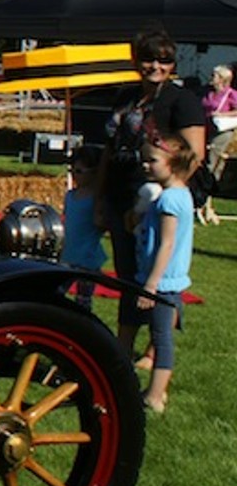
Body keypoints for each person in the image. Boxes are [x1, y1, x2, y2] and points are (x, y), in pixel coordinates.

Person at [96, 29, 205, 335]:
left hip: (160, 202)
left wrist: (169, 193)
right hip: (121, 194)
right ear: (136, 61)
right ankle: (125, 343)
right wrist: (99, 198)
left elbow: (194, 155)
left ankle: (157, 347)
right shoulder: (125, 96)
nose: (155, 66)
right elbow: (108, 148)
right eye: (148, 59)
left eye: (164, 60)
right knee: (127, 274)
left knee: (162, 274)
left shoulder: (182, 100)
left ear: (172, 64)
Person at [125, 133, 196, 414]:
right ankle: (156, 392)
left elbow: (166, 244)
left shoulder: (169, 200)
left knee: (161, 336)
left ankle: (154, 395)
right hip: (166, 280)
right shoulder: (179, 194)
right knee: (161, 333)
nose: (145, 165)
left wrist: (151, 284)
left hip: (162, 282)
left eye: (151, 160)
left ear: (172, 163)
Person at [62, 146, 107, 312]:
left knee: (83, 300)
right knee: (59, 292)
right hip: (68, 254)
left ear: (94, 172)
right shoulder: (70, 196)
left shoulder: (96, 198)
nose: (74, 174)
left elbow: (101, 223)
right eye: (72, 169)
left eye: (79, 170)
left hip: (88, 257)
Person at [199, 62, 235, 224]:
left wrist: (223, 114)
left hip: (221, 133)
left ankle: (206, 203)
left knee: (212, 166)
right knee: (203, 163)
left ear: (222, 79)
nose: (212, 78)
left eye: (215, 76)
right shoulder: (208, 94)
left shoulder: (231, 94)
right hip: (205, 131)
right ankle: (205, 203)